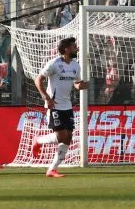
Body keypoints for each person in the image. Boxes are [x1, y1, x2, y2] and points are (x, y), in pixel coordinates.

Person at [31, 36, 88, 178]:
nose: (77, 49)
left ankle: (52, 169)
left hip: (67, 106)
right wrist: (47, 97)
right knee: (61, 136)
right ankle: (38, 140)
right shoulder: (54, 64)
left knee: (68, 137)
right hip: (54, 105)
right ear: (67, 49)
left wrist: (80, 85)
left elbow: (76, 83)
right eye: (74, 47)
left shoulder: (76, 65)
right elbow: (38, 80)